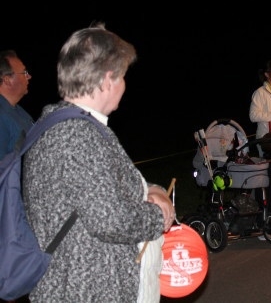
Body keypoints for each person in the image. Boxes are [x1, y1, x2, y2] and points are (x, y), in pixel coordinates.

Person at [22, 23, 175, 303]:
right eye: (122, 76)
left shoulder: (66, 125)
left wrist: (153, 190)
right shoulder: (75, 134)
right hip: (86, 290)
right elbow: (110, 220)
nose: (124, 85)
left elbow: (105, 186)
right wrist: (158, 215)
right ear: (107, 80)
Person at [0, 50, 34, 159]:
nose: (29, 76)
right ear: (7, 80)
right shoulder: (2, 116)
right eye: (24, 73)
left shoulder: (18, 111)